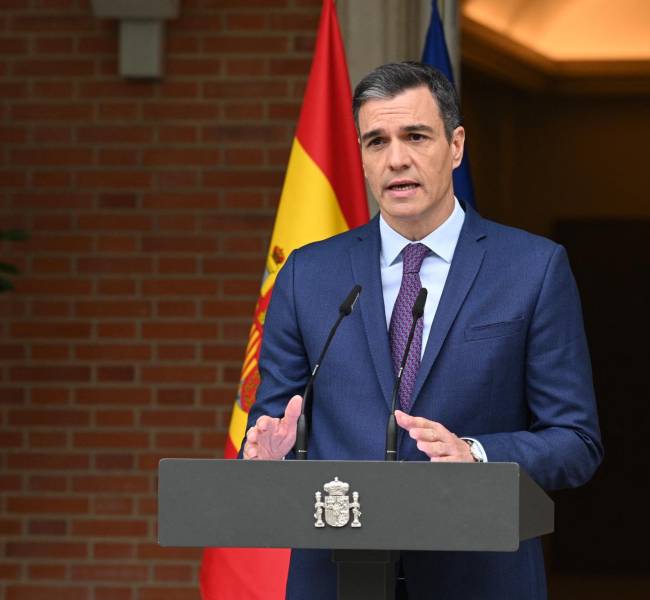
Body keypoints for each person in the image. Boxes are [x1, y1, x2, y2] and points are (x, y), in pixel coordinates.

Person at [242, 62, 602, 599]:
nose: (396, 159)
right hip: (338, 578)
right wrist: (269, 454)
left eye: (416, 136)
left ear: (456, 146)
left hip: (478, 578)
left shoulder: (533, 268)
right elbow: (277, 417)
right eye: (376, 141)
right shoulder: (306, 274)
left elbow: (575, 442)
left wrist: (476, 456)